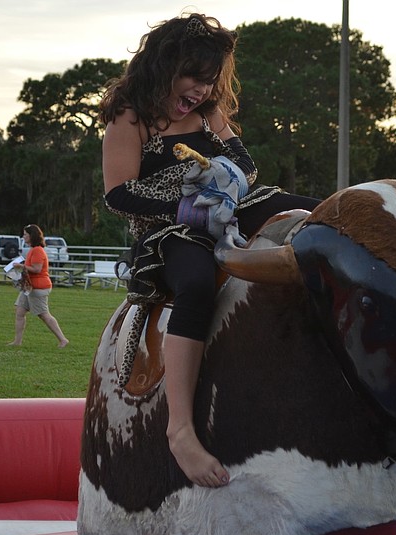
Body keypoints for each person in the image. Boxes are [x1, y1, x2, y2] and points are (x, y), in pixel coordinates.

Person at [99, 13, 320, 488]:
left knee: (320, 215)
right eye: (192, 77)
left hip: (233, 205)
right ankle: (180, 430)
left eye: (208, 80)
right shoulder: (130, 114)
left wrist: (220, 182)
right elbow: (118, 194)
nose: (199, 90)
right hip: (169, 230)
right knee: (197, 283)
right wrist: (186, 203)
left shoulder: (208, 113)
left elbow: (246, 167)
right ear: (164, 66)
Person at [8, 224, 69, 348]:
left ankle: (63, 340)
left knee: (44, 315)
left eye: (25, 234)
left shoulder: (37, 250)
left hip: (38, 288)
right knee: (20, 312)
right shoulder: (33, 250)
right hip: (29, 287)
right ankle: (17, 341)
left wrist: (21, 266)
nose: (23, 236)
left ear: (32, 236)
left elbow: (37, 269)